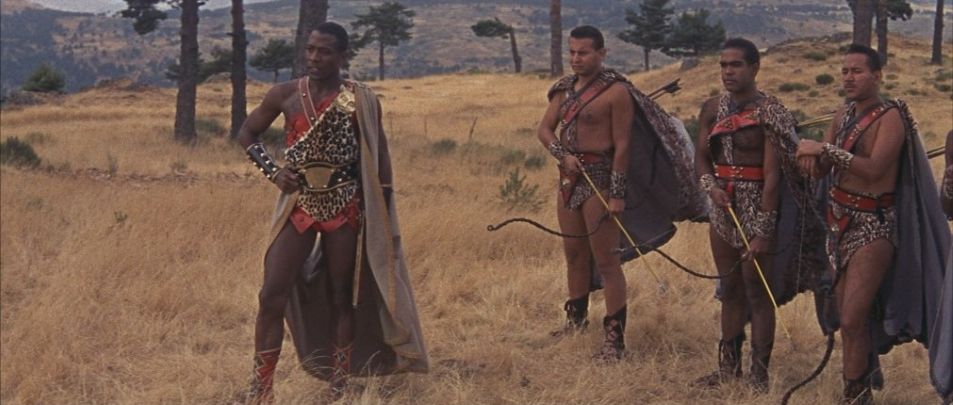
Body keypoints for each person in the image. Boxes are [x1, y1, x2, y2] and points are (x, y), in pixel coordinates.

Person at [235, 22, 428, 403]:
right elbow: (247, 133)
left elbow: (379, 156)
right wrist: (273, 172)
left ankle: (339, 384)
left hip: (346, 207)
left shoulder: (360, 100)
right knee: (271, 294)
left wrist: (382, 212)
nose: (314, 57)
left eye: (324, 51)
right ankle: (261, 389)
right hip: (299, 206)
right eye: (310, 49)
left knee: (342, 296)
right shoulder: (285, 95)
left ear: (342, 56)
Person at [537, 25, 708, 361]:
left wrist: (616, 195)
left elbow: (623, 146)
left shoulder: (616, 92)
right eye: (572, 52)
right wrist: (562, 155)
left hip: (601, 180)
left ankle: (614, 340)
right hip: (569, 180)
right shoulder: (563, 90)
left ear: (601, 53)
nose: (576, 58)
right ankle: (575, 322)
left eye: (583, 52)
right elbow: (544, 130)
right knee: (574, 255)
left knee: (607, 260)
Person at [796, 44, 950, 404]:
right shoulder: (843, 114)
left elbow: (875, 169)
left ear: (877, 75)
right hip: (838, 222)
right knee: (846, 316)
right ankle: (859, 391)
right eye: (844, 71)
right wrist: (808, 158)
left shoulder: (891, 117)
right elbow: (824, 168)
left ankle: (853, 394)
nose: (849, 78)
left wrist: (824, 150)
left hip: (874, 225)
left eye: (857, 71)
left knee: (853, 316)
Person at [692, 37, 824, 393]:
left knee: (757, 290)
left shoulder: (771, 112)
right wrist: (711, 188)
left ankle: (759, 376)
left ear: (754, 68)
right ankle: (728, 368)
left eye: (735, 65)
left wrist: (764, 231)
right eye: (723, 65)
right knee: (730, 288)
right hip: (723, 208)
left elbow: (773, 177)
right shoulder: (711, 109)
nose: (728, 72)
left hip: (760, 207)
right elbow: (701, 158)